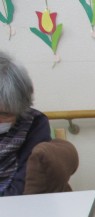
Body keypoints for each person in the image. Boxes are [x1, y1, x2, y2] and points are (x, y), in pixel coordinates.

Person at [0, 50, 51, 197]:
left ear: (21, 108)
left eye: (5, 114)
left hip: (13, 202)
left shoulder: (35, 124)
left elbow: (22, 185)